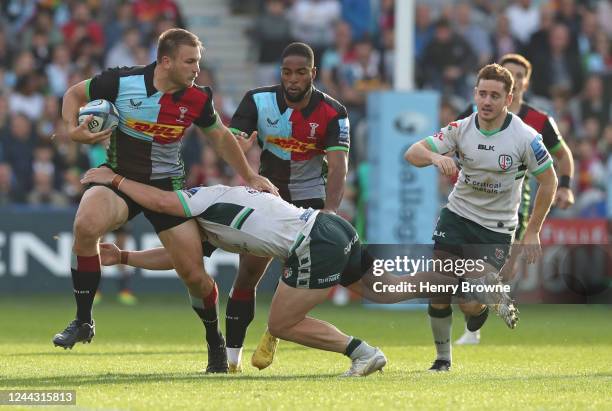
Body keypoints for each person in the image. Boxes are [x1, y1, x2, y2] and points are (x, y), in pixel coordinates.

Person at [80, 166, 516, 376]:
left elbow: (159, 204)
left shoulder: (193, 201)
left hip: (312, 243)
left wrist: (114, 181)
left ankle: (364, 353)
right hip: (330, 226)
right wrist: (126, 257)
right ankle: (466, 280)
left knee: (282, 323)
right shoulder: (209, 218)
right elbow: (183, 258)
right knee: (382, 290)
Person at [51, 28, 278, 374]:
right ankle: (83, 320)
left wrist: (249, 176)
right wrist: (72, 129)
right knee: (85, 224)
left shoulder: (198, 98)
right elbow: (73, 93)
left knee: (194, 276)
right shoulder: (119, 81)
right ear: (166, 61)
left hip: (167, 189)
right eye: (190, 62)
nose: (196, 69)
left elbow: (219, 137)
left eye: (198, 62)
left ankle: (213, 340)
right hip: (117, 177)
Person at [404, 63, 558, 372]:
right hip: (457, 216)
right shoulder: (461, 129)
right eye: (482, 94)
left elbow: (549, 181)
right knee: (439, 287)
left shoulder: (526, 137)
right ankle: (442, 360)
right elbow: (413, 151)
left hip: (496, 229)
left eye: (495, 96)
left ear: (509, 98)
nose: (487, 102)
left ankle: (487, 303)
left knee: (469, 302)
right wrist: (436, 157)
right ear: (475, 94)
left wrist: (532, 231)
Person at [227, 42, 350, 372]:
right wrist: (241, 155)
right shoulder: (257, 100)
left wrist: (331, 210)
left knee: (294, 280)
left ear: (313, 73)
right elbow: (231, 140)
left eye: (300, 73)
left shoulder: (333, 112)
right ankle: (230, 360)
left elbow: (338, 166)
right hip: (269, 198)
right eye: (286, 72)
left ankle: (274, 330)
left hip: (309, 205)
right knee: (247, 274)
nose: (292, 79)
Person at [454, 53, 575, 345]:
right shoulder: (473, 112)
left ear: (525, 81)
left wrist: (565, 186)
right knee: (462, 275)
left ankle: (477, 321)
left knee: (504, 271)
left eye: (520, 75)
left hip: (514, 207)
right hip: (470, 204)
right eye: (510, 73)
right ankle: (475, 321)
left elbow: (563, 155)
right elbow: (454, 145)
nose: (516, 79)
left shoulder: (538, 121)